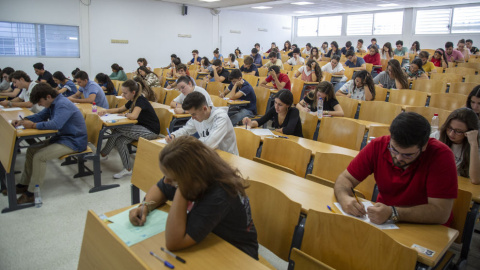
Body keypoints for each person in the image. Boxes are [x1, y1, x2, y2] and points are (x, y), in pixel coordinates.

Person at [128, 136, 258, 259]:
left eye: (173, 179)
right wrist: (145, 207)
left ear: (189, 177)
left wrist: (181, 187)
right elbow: (160, 188)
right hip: (211, 239)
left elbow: (174, 242)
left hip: (237, 254)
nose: (166, 181)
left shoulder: (220, 193)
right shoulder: (198, 174)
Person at [334, 112, 458, 226]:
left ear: (424, 146)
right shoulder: (378, 146)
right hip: (383, 221)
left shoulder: (441, 155)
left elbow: (441, 213)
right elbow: (345, 178)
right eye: (393, 149)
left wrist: (393, 212)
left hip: (425, 226)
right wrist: (344, 198)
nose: (398, 158)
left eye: (408, 155)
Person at [9, 83, 87, 203]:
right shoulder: (53, 103)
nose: (39, 105)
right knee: (31, 150)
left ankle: (32, 193)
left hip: (74, 141)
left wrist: (33, 125)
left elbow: (56, 124)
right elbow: (40, 115)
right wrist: (22, 121)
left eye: (40, 102)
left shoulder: (62, 104)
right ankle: (23, 184)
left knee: (40, 157)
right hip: (62, 137)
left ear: (48, 96)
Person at [98, 80, 159, 179]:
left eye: (125, 93)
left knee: (117, 129)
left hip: (150, 131)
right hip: (139, 129)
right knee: (120, 140)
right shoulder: (133, 100)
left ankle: (103, 153)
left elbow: (134, 116)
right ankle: (127, 169)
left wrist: (126, 114)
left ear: (133, 92)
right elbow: (119, 109)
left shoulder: (140, 100)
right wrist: (105, 111)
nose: (123, 95)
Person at [167, 92, 238, 155]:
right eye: (191, 114)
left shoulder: (221, 118)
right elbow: (186, 130)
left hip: (227, 158)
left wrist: (187, 144)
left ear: (204, 108)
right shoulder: (197, 116)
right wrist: (174, 136)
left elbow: (210, 143)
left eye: (194, 114)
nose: (193, 118)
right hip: (208, 155)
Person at [431, 108, 479, 185]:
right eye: (450, 128)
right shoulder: (437, 136)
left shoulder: (475, 146)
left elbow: (475, 180)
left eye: (458, 131)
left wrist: (473, 144)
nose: (451, 134)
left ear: (470, 132)